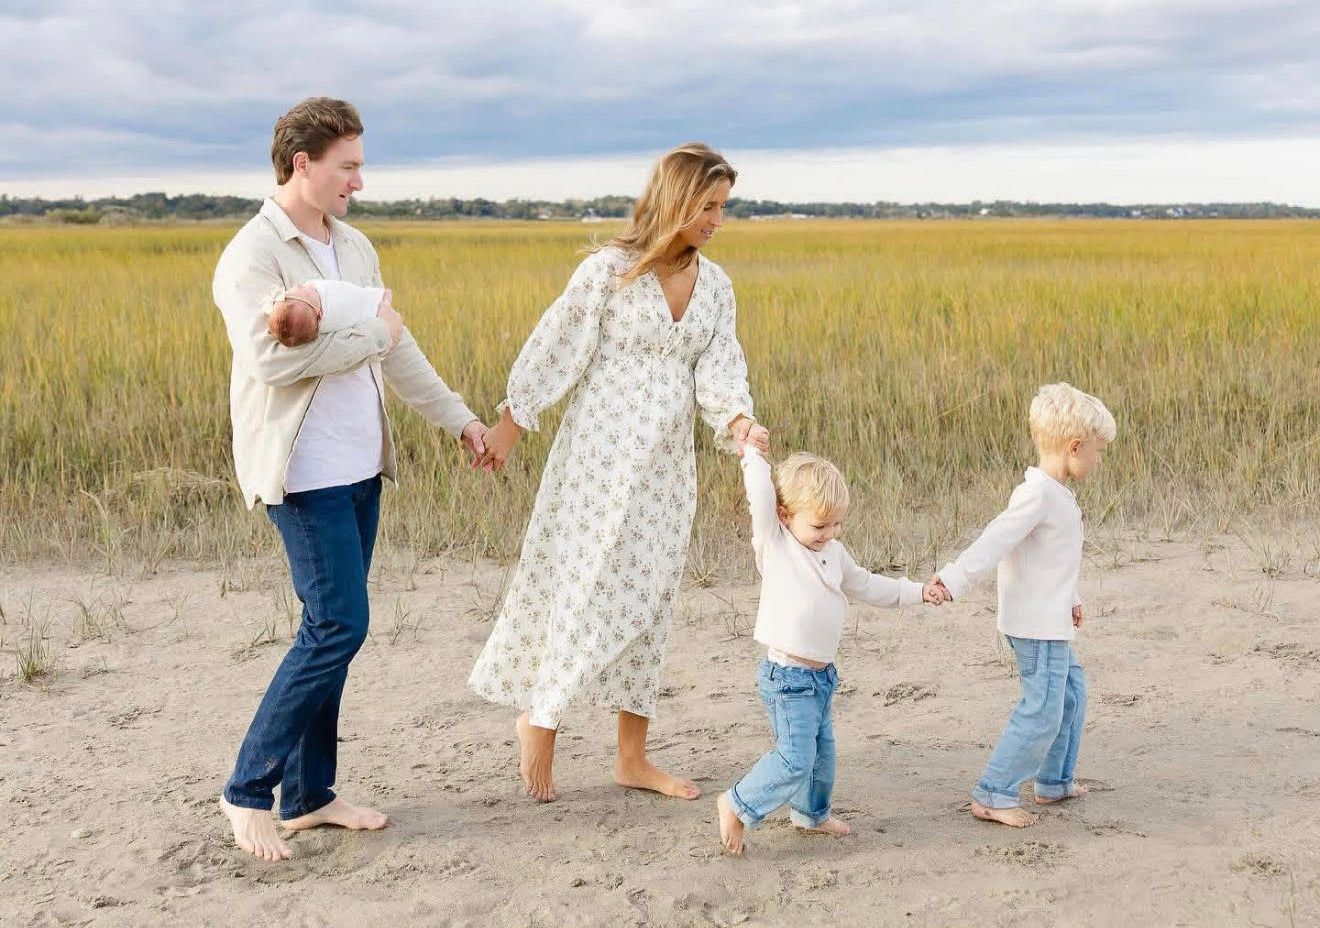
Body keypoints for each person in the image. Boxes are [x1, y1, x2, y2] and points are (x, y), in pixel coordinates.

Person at [212, 96, 489, 861]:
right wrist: (370, 330)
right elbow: (271, 359)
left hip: (362, 468)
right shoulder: (251, 256)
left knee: (326, 633)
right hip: (302, 476)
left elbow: (396, 353)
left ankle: (309, 795)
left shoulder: (355, 247)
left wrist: (460, 419)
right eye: (349, 166)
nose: (359, 181)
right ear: (303, 164)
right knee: (338, 627)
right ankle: (247, 790)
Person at [468, 142, 767, 803]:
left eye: (724, 207)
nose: (717, 219)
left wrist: (740, 423)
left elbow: (720, 369)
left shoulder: (716, 286)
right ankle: (541, 716)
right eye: (708, 205)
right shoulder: (610, 271)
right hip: (599, 457)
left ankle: (632, 758)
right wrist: (508, 430)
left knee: (652, 599)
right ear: (674, 200)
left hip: (666, 467)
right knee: (585, 581)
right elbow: (556, 349)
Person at [716, 444, 947, 855]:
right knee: (795, 758)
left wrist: (918, 592)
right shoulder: (775, 545)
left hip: (821, 677)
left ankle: (811, 813)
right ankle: (737, 802)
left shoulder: (835, 554)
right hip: (787, 679)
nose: (829, 535)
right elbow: (761, 495)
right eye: (820, 526)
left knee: (822, 755)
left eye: (836, 525)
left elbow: (870, 585)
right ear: (786, 517)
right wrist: (753, 453)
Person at [931, 383, 1116, 827]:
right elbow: (995, 540)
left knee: (1071, 695)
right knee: (1043, 707)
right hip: (1035, 626)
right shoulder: (1036, 495)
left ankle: (1053, 781)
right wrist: (953, 578)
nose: (1099, 459)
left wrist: (1070, 598)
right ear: (1074, 447)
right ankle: (994, 792)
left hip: (1050, 618)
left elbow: (1052, 560)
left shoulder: (1056, 493)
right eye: (1097, 451)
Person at [266, 279, 392, 348]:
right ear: (320, 314)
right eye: (303, 291)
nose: (297, 285)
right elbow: (356, 301)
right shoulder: (334, 307)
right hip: (376, 305)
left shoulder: (309, 315)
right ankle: (381, 297)